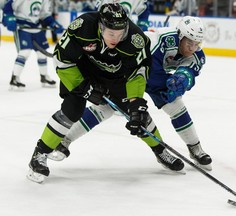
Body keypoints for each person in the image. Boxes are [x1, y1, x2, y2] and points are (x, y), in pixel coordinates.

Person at [26, 3, 184, 184]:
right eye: (111, 34)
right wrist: (84, 88)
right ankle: (39, 155)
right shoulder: (83, 26)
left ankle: (160, 150)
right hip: (80, 72)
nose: (116, 38)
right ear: (101, 26)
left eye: (120, 33)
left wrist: (135, 102)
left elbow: (137, 73)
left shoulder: (136, 39)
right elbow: (62, 60)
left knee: (139, 116)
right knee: (72, 110)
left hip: (116, 78)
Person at [49, 16, 213, 171]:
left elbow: (190, 72)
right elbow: (149, 69)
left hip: (150, 75)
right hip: (129, 71)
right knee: (106, 108)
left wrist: (183, 79)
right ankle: (65, 139)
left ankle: (195, 148)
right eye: (189, 42)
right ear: (180, 36)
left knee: (177, 106)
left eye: (197, 43)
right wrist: (167, 86)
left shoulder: (197, 54)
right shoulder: (163, 41)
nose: (192, 48)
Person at [1, 0, 64, 90]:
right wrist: (9, 18)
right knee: (24, 52)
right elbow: (8, 7)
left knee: (42, 53)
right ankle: (14, 78)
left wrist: (53, 23)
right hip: (22, 26)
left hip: (37, 27)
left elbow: (44, 15)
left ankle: (44, 77)